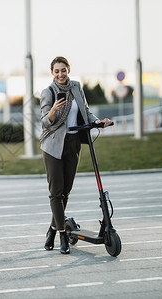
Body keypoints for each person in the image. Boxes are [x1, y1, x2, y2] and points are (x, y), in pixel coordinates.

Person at [40, 56, 113, 254]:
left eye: (63, 70)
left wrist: (99, 122)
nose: (60, 74)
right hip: (53, 146)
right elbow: (45, 122)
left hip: (73, 143)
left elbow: (86, 111)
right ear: (52, 73)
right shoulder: (48, 93)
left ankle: (52, 229)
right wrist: (53, 111)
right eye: (57, 71)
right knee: (56, 192)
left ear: (68, 69)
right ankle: (62, 234)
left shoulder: (76, 87)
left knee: (66, 191)